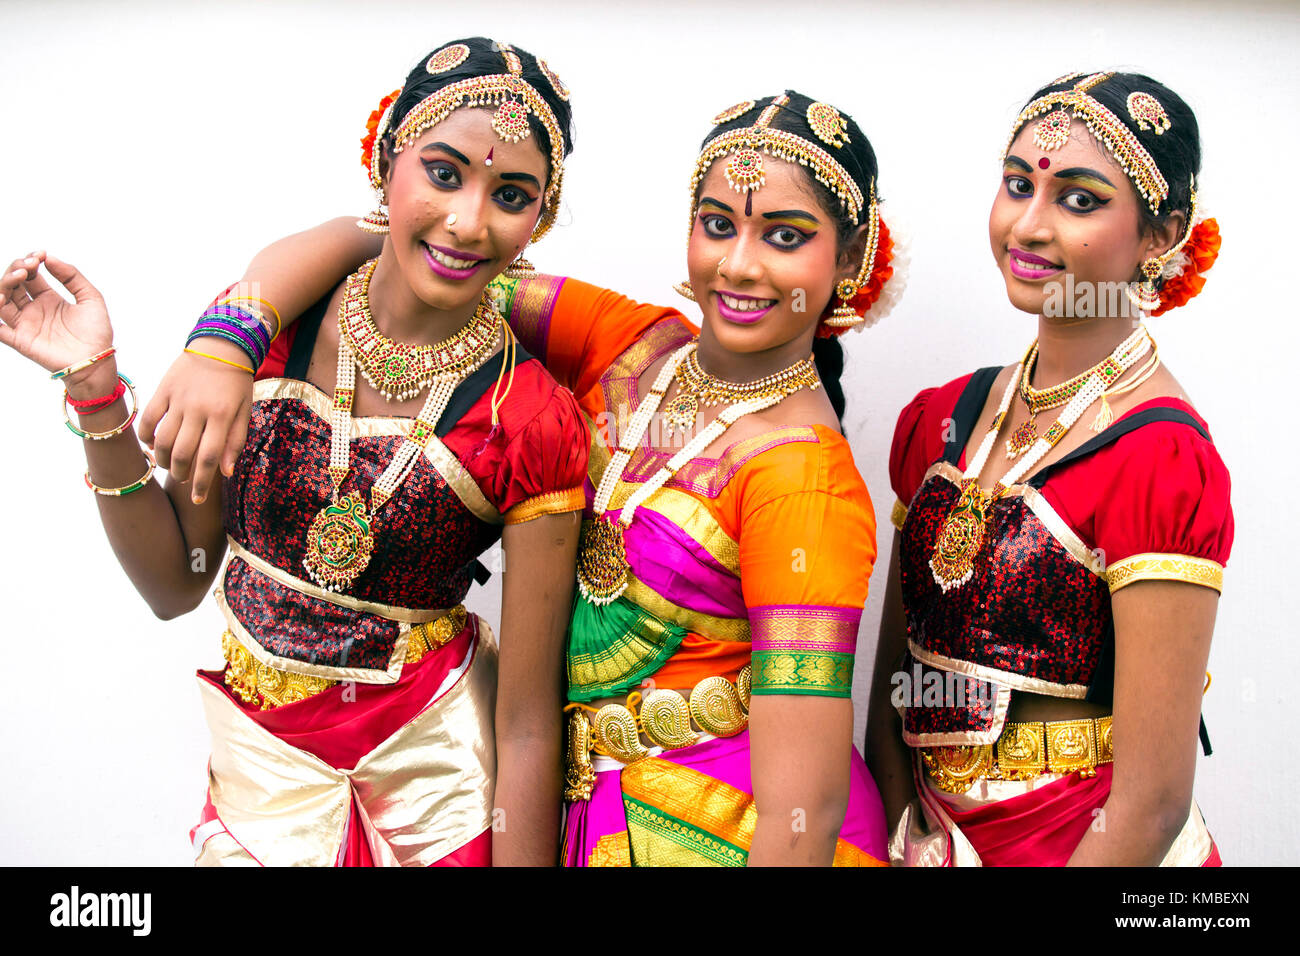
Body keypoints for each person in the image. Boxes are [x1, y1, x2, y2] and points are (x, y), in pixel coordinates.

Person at [144, 90, 908, 866]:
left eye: (784, 237)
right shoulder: (638, 345)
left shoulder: (806, 480)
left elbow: (804, 809)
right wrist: (230, 337)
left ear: (850, 259)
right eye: (718, 225)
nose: (739, 264)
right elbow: (409, 256)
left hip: (726, 834)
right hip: (592, 817)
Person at [0, 36, 589, 866]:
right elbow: (177, 580)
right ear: (387, 160)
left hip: (437, 788)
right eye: (445, 173)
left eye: (512, 193)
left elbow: (529, 724)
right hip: (261, 776)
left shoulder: (531, 420)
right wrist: (95, 388)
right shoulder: (260, 340)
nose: (468, 220)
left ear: (541, 217)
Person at [865, 70, 1229, 866]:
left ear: (1162, 236)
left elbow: (1154, 801)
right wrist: (907, 836)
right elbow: (896, 690)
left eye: (1079, 199)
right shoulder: (943, 421)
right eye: (1017, 184)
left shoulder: (1160, 456)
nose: (1028, 225)